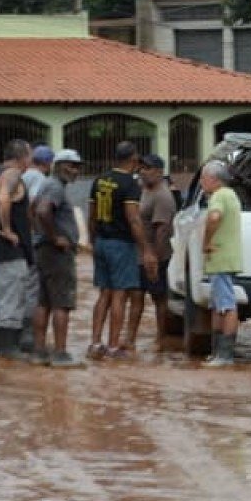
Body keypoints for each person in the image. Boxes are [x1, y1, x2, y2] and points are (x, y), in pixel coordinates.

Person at [87, 142, 156, 361]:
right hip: (121, 244)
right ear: (133, 159)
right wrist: (145, 249)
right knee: (120, 294)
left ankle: (95, 343)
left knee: (103, 293)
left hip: (101, 242)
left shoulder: (99, 180)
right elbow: (134, 219)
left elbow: (92, 214)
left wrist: (92, 240)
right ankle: (114, 346)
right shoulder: (129, 184)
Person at [29, 147, 84, 368]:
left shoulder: (46, 184)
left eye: (77, 167)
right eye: (72, 166)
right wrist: (55, 238)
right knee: (62, 303)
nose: (76, 171)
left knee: (43, 302)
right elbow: (42, 211)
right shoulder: (54, 187)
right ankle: (60, 354)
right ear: (60, 166)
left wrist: (40, 234)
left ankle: (40, 351)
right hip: (56, 253)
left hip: (43, 250)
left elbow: (32, 210)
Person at [0, 139, 34, 359]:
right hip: (11, 250)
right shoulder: (12, 174)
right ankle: (9, 349)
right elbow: (3, 198)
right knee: (12, 299)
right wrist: (7, 230)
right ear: (22, 157)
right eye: (29, 157)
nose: (30, 162)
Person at [198, 162, 244, 367]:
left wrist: (206, 241)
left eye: (203, 178)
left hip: (221, 258)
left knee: (226, 305)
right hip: (223, 259)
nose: (201, 182)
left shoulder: (219, 196)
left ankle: (225, 356)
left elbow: (215, 216)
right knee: (218, 305)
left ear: (214, 179)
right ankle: (217, 352)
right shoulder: (230, 195)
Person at [134, 153, 177, 347]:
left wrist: (155, 260)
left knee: (159, 299)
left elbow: (163, 231)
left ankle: (160, 338)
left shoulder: (163, 196)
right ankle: (129, 338)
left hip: (155, 255)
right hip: (140, 254)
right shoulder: (143, 190)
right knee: (136, 296)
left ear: (160, 172)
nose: (143, 171)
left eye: (148, 168)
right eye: (141, 168)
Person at [16, 143, 54, 356]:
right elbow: (37, 208)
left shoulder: (23, 175)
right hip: (31, 239)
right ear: (48, 164)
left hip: (18, 239)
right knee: (33, 286)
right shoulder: (39, 179)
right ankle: (28, 336)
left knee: (21, 284)